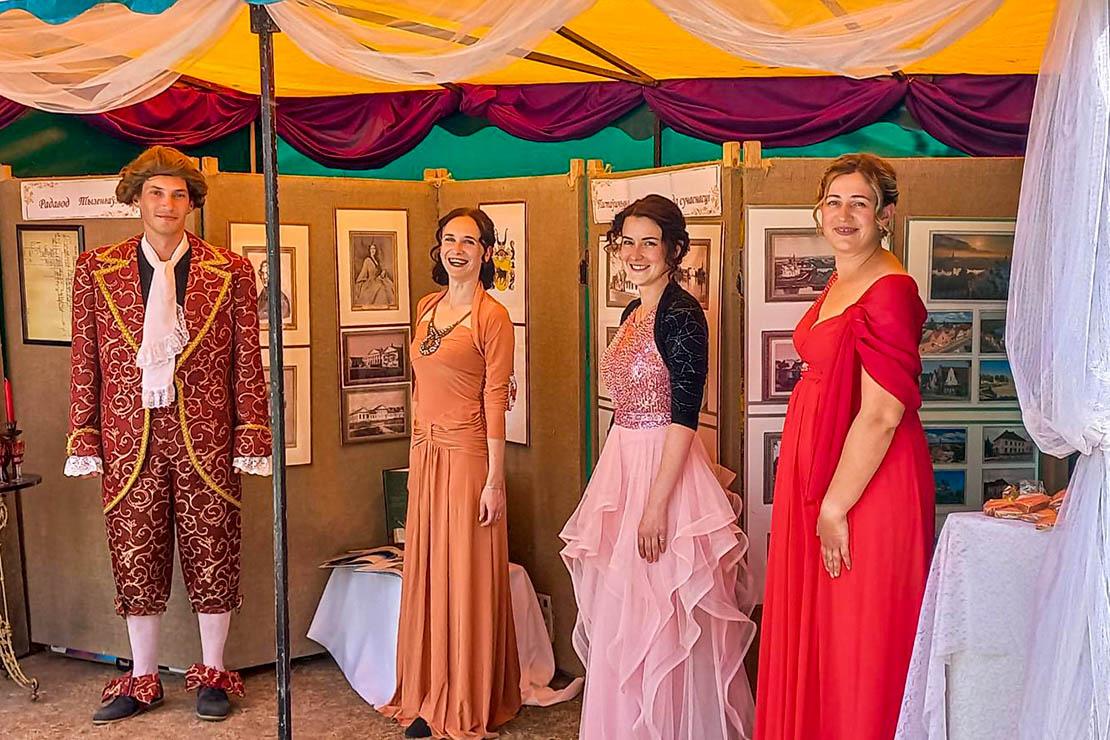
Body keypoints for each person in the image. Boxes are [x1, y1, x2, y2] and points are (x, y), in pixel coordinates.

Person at [65, 146, 272, 724]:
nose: (167, 204)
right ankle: (143, 677)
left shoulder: (229, 270)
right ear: (136, 198)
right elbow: (85, 358)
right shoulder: (96, 269)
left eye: (179, 194)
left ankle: (213, 673)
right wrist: (83, 433)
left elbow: (247, 360)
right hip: (126, 437)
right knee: (135, 553)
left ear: (192, 203)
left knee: (214, 549)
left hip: (208, 438)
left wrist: (251, 434)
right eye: (156, 192)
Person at [561, 194, 756, 740]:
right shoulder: (632, 313)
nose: (636, 253)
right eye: (628, 242)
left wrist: (655, 506)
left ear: (674, 249)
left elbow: (685, 417)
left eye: (650, 242)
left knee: (664, 614)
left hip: (666, 475)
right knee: (625, 610)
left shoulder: (683, 314)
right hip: (623, 465)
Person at [754, 154, 934, 740]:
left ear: (886, 215)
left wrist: (834, 505)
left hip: (866, 484)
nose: (844, 214)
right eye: (834, 201)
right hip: (826, 472)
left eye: (860, 202)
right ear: (818, 211)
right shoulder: (842, 277)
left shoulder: (891, 290)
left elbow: (882, 414)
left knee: (858, 636)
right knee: (824, 632)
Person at [379, 207, 521, 739]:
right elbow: (419, 391)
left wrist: (494, 481)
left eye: (469, 241)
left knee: (464, 572)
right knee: (428, 568)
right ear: (438, 248)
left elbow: (495, 401)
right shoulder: (426, 306)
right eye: (449, 240)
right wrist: (414, 458)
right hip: (427, 452)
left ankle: (463, 695)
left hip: (467, 456)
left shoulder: (493, 317)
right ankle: (425, 689)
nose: (457, 249)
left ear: (486, 252)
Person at [353, 240, 397, 308]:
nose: (373, 250)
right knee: (380, 288)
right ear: (369, 250)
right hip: (371, 281)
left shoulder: (377, 260)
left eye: (374, 249)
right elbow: (364, 273)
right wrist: (361, 281)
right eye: (371, 249)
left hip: (378, 279)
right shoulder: (367, 260)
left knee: (388, 286)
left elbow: (379, 271)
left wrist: (383, 273)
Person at [256, 258, 291, 326]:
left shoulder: (282, 301)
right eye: (262, 273)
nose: (264, 277)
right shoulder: (260, 298)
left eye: (267, 273)